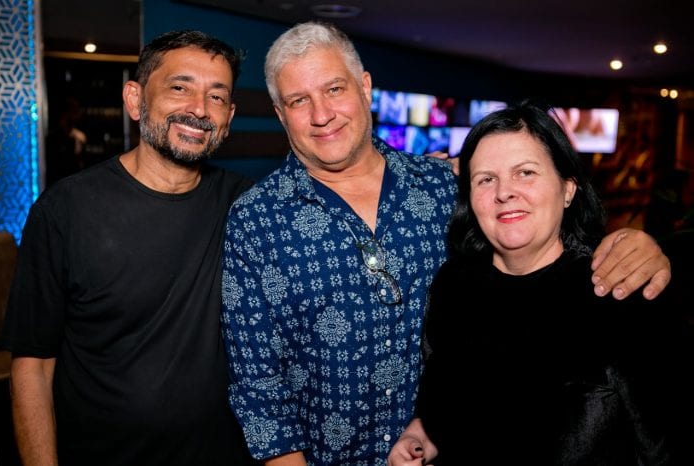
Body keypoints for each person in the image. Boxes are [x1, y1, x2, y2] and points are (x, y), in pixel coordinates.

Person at [220, 22, 672, 466]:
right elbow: (258, 386)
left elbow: (537, 234)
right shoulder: (255, 220)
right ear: (281, 114)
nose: (322, 114)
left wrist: (638, 245)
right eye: (299, 100)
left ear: (364, 86)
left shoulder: (439, 187)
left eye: (335, 89)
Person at [1, 30, 260, 466]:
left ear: (229, 115)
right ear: (136, 99)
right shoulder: (65, 210)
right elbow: (33, 366)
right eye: (180, 88)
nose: (198, 109)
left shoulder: (247, 208)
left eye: (216, 97)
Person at [388, 101, 691, 465]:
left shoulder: (617, 288)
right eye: (486, 178)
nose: (505, 192)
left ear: (568, 188)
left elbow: (665, 450)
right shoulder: (454, 285)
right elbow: (444, 398)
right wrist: (424, 434)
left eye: (526, 173)